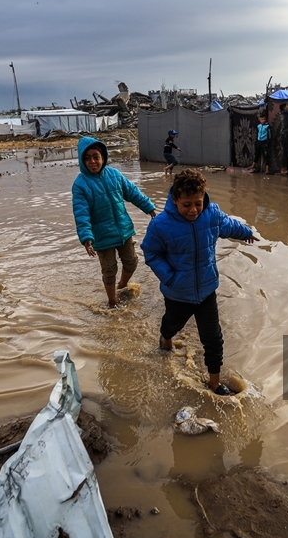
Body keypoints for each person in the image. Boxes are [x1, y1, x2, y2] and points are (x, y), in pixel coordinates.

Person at [141, 169, 257, 395]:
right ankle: (165, 338)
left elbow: (228, 225)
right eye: (187, 205)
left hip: (206, 290)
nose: (193, 210)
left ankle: (214, 384)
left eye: (198, 203)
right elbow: (151, 253)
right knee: (171, 326)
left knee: (213, 339)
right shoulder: (160, 225)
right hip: (177, 293)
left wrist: (246, 232)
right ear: (175, 199)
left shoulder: (211, 213)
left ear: (204, 197)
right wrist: (170, 278)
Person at [72, 137, 157, 307]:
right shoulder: (80, 185)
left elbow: (133, 193)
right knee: (109, 271)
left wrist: (150, 209)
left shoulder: (115, 175)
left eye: (96, 156)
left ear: (103, 156)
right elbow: (81, 214)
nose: (92, 161)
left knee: (132, 262)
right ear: (82, 160)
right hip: (102, 236)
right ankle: (112, 303)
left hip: (124, 230)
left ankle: (123, 285)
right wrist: (86, 237)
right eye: (87, 158)